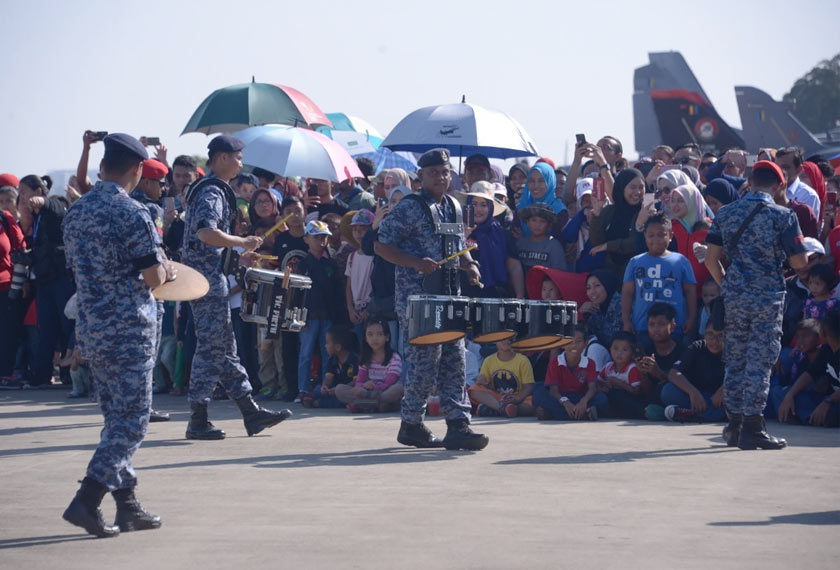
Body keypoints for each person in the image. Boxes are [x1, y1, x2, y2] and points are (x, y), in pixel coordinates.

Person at [61, 133, 168, 538]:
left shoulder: (76, 212)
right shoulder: (132, 213)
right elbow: (155, 278)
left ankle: (128, 506)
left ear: (103, 166)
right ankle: (87, 500)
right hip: (129, 330)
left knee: (114, 420)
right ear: (138, 170)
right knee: (132, 423)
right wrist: (167, 270)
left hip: (92, 328)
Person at [375, 148, 488, 450]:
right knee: (425, 364)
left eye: (445, 172)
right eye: (434, 172)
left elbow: (460, 246)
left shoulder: (453, 205)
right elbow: (381, 245)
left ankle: (458, 425)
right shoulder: (410, 208)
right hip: (419, 299)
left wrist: (470, 265)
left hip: (450, 295)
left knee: (455, 360)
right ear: (421, 176)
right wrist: (414, 261)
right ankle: (411, 423)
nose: (441, 177)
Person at [181, 135, 292, 440]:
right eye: (238, 157)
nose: (242, 164)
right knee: (211, 350)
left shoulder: (210, 189)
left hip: (206, 276)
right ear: (222, 158)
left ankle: (250, 412)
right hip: (206, 280)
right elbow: (206, 232)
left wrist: (237, 253)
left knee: (225, 349)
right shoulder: (214, 191)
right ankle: (198, 417)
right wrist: (241, 241)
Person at [705, 160, 808, 450]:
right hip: (768, 297)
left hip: (735, 296)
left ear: (749, 181)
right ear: (779, 186)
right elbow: (799, 262)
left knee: (735, 358)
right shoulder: (783, 216)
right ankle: (752, 427)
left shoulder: (726, 213)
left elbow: (711, 259)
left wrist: (728, 286)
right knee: (760, 362)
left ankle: (734, 425)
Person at [17, 174, 75, 387]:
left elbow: (57, 206)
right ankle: (41, 376)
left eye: (24, 191)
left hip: (61, 280)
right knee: (46, 330)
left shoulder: (54, 204)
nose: (21, 196)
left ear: (38, 191)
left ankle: (71, 375)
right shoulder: (37, 218)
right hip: (44, 281)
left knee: (68, 325)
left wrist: (42, 202)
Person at [621, 213, 696, 345]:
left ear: (671, 236)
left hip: (674, 328)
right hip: (642, 327)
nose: (656, 239)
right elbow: (627, 293)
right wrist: (626, 320)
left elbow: (690, 292)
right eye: (651, 235)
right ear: (645, 237)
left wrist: (691, 318)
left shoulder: (681, 261)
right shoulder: (635, 262)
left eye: (661, 235)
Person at [295, 220, 345, 400]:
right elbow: (296, 294)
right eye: (316, 237)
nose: (321, 241)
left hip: (327, 316)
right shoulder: (302, 265)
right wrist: (298, 318)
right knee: (306, 354)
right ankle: (303, 388)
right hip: (308, 317)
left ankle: (325, 388)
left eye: (324, 237)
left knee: (328, 354)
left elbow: (337, 292)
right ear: (306, 239)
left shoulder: (330, 264)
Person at [458, 181, 523, 298]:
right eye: (474, 204)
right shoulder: (457, 232)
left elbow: (514, 267)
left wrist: (519, 295)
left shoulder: (503, 235)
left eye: (483, 205)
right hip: (463, 295)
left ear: (491, 208)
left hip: (494, 297)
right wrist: (462, 236)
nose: (478, 209)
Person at [776, 310, 840, 427]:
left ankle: (809, 418)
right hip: (828, 399)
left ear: (824, 333)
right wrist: (790, 394)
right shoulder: (826, 349)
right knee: (783, 393)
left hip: (833, 401)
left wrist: (828, 401)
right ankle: (811, 417)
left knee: (831, 412)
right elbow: (810, 374)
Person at [533, 325, 607, 421]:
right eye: (570, 341)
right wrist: (566, 403)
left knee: (602, 399)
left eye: (578, 341)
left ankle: (554, 414)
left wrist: (583, 402)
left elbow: (592, 388)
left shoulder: (590, 363)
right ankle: (583, 415)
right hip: (561, 397)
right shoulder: (555, 362)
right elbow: (554, 391)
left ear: (585, 343)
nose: (574, 345)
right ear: (563, 344)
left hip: (580, 397)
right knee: (538, 393)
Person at [660, 319, 726, 423]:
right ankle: (713, 416)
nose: (714, 341)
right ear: (704, 334)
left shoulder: (734, 351)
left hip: (722, 399)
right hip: (697, 398)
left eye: (720, 336)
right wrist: (693, 393)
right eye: (710, 335)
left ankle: (690, 415)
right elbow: (673, 374)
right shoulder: (697, 347)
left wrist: (724, 390)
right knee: (668, 391)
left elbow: (742, 376)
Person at [334, 318, 403, 412]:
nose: (375, 338)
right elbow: (359, 381)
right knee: (339, 389)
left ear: (387, 337)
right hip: (366, 392)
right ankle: (372, 405)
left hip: (383, 392)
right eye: (370, 334)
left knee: (398, 388)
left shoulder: (394, 358)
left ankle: (363, 404)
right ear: (365, 338)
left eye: (379, 334)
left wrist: (372, 389)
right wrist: (363, 387)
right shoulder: (365, 358)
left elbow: (389, 383)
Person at [589, 168, 646, 276]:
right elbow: (596, 243)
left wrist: (609, 246)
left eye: (641, 187)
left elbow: (638, 243)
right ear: (622, 188)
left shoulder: (646, 211)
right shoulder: (610, 211)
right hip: (612, 271)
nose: (637, 192)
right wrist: (596, 214)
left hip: (639, 272)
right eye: (632, 187)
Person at [469, 338, 535, 418]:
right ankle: (501, 409)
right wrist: (482, 382)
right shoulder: (488, 360)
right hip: (498, 398)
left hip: (518, 398)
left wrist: (518, 398)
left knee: (534, 403)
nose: (506, 341)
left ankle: (496, 410)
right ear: (496, 342)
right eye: (503, 339)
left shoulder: (523, 360)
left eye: (509, 339)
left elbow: (529, 387)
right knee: (473, 389)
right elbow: (485, 385)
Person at [305, 324, 358, 409]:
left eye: (327, 343)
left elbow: (356, 382)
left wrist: (336, 390)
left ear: (338, 347)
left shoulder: (354, 360)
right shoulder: (332, 360)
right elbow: (328, 378)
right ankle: (313, 398)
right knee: (318, 390)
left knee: (339, 398)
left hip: (346, 390)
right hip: (333, 389)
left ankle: (317, 403)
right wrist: (325, 386)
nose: (325, 346)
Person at [345, 209, 376, 340]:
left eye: (362, 229)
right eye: (355, 229)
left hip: (372, 310)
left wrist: (369, 309)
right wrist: (350, 309)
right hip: (356, 312)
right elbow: (348, 287)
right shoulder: (352, 257)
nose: (358, 233)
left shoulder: (376, 256)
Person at [598, 332, 643, 418]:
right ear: (610, 349)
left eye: (625, 350)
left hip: (628, 400)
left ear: (632, 353)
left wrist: (617, 382)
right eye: (615, 349)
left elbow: (636, 391)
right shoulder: (608, 366)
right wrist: (603, 387)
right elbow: (597, 381)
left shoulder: (632, 368)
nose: (619, 353)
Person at [516, 202, 566, 273]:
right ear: (527, 222)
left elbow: (559, 273)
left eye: (542, 221)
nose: (538, 225)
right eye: (534, 220)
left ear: (549, 225)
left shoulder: (554, 246)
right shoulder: (520, 244)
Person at [580, 270, 622, 348]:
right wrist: (580, 314)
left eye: (597, 285)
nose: (592, 292)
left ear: (607, 285)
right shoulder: (596, 309)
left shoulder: (621, 305)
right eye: (588, 288)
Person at [776, 147, 820, 219]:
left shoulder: (808, 195)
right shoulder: (770, 189)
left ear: (799, 169)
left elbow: (807, 226)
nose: (781, 171)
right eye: (777, 167)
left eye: (786, 167)